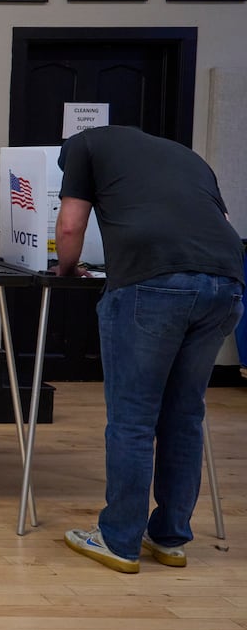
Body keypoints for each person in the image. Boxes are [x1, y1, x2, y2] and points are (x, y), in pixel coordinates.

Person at [56, 126, 243, 573]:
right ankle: (170, 539)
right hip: (227, 281)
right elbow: (223, 224)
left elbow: (69, 224)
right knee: (185, 415)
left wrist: (66, 269)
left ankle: (119, 540)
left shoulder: (82, 146)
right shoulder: (187, 156)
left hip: (152, 282)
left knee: (133, 418)